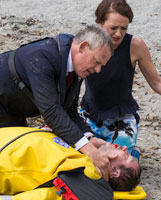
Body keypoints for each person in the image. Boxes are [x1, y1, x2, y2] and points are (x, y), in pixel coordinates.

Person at [0, 25, 114, 181]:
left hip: (13, 109)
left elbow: (69, 111)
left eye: (102, 65)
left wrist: (89, 138)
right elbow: (51, 112)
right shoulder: (42, 56)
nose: (98, 70)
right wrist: (88, 150)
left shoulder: (75, 66)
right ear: (83, 47)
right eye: (96, 62)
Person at [80, 0, 161, 155]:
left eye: (124, 28)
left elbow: (157, 83)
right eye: (113, 28)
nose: (118, 34)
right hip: (89, 114)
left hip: (121, 118)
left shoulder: (135, 45)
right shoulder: (87, 43)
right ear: (100, 22)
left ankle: (133, 152)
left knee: (119, 168)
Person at [0, 127, 141, 200]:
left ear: (115, 171)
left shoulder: (83, 178)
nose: (124, 148)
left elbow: (47, 196)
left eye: (127, 157)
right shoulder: (84, 153)